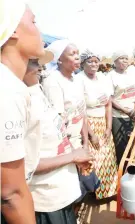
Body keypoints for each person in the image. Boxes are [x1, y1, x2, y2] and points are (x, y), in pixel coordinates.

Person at [23, 58, 94, 224]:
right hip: (44, 201)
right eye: (33, 61)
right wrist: (72, 157)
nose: (41, 67)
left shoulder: (37, 90)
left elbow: (57, 132)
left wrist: (74, 156)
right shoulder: (17, 100)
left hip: (61, 194)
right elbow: (24, 166)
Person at [0, 1, 45, 223]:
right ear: (14, 30)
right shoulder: (7, 89)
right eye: (34, 22)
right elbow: (11, 194)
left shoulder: (14, 86)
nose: (39, 30)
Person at [75, 49, 118, 199]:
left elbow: (108, 104)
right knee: (95, 161)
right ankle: (94, 192)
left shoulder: (102, 77)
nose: (94, 64)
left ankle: (109, 192)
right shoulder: (79, 80)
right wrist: (91, 134)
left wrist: (108, 127)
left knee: (108, 158)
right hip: (88, 124)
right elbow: (81, 110)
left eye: (96, 61)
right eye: (90, 61)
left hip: (104, 122)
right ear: (83, 64)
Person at [108, 51, 135, 165]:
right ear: (115, 61)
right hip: (118, 116)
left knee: (133, 144)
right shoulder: (110, 76)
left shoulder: (132, 75)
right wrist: (126, 111)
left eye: (126, 58)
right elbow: (110, 99)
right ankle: (122, 172)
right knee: (121, 147)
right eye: (121, 58)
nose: (125, 61)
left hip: (133, 115)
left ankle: (133, 169)